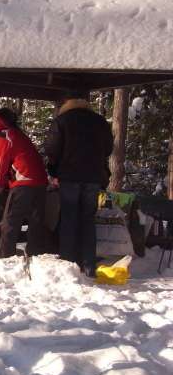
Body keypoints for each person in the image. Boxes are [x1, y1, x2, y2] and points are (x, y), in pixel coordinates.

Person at [43, 95, 113, 277]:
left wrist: (53, 169)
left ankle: (69, 263)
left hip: (69, 176)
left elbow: (52, 148)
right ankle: (88, 264)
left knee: (69, 218)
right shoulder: (100, 122)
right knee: (88, 220)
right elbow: (109, 148)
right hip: (93, 178)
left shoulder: (62, 121)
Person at [0, 109, 48, 258]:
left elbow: (0, 166)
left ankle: (3, 259)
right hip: (40, 182)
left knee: (10, 222)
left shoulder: (2, 137)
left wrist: (0, 184)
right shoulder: (17, 134)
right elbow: (16, 160)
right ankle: (35, 256)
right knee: (36, 222)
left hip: (23, 184)